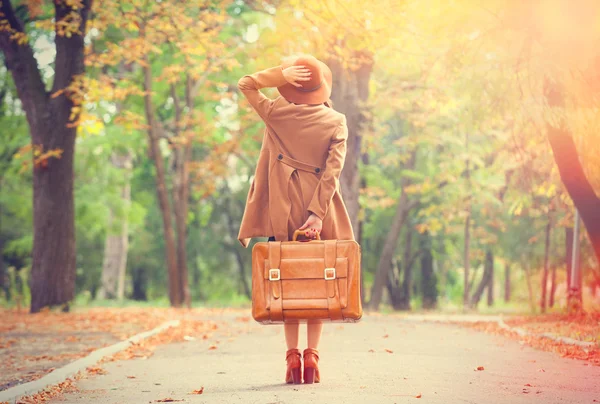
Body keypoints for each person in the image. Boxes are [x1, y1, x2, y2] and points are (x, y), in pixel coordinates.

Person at [237, 54, 354, 384]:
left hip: (282, 208)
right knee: (317, 282)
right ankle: (312, 359)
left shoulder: (275, 113)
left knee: (289, 284)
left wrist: (278, 74)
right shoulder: (337, 121)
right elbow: (333, 172)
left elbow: (245, 83)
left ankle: (291, 360)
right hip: (321, 211)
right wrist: (317, 214)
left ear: (290, 87)